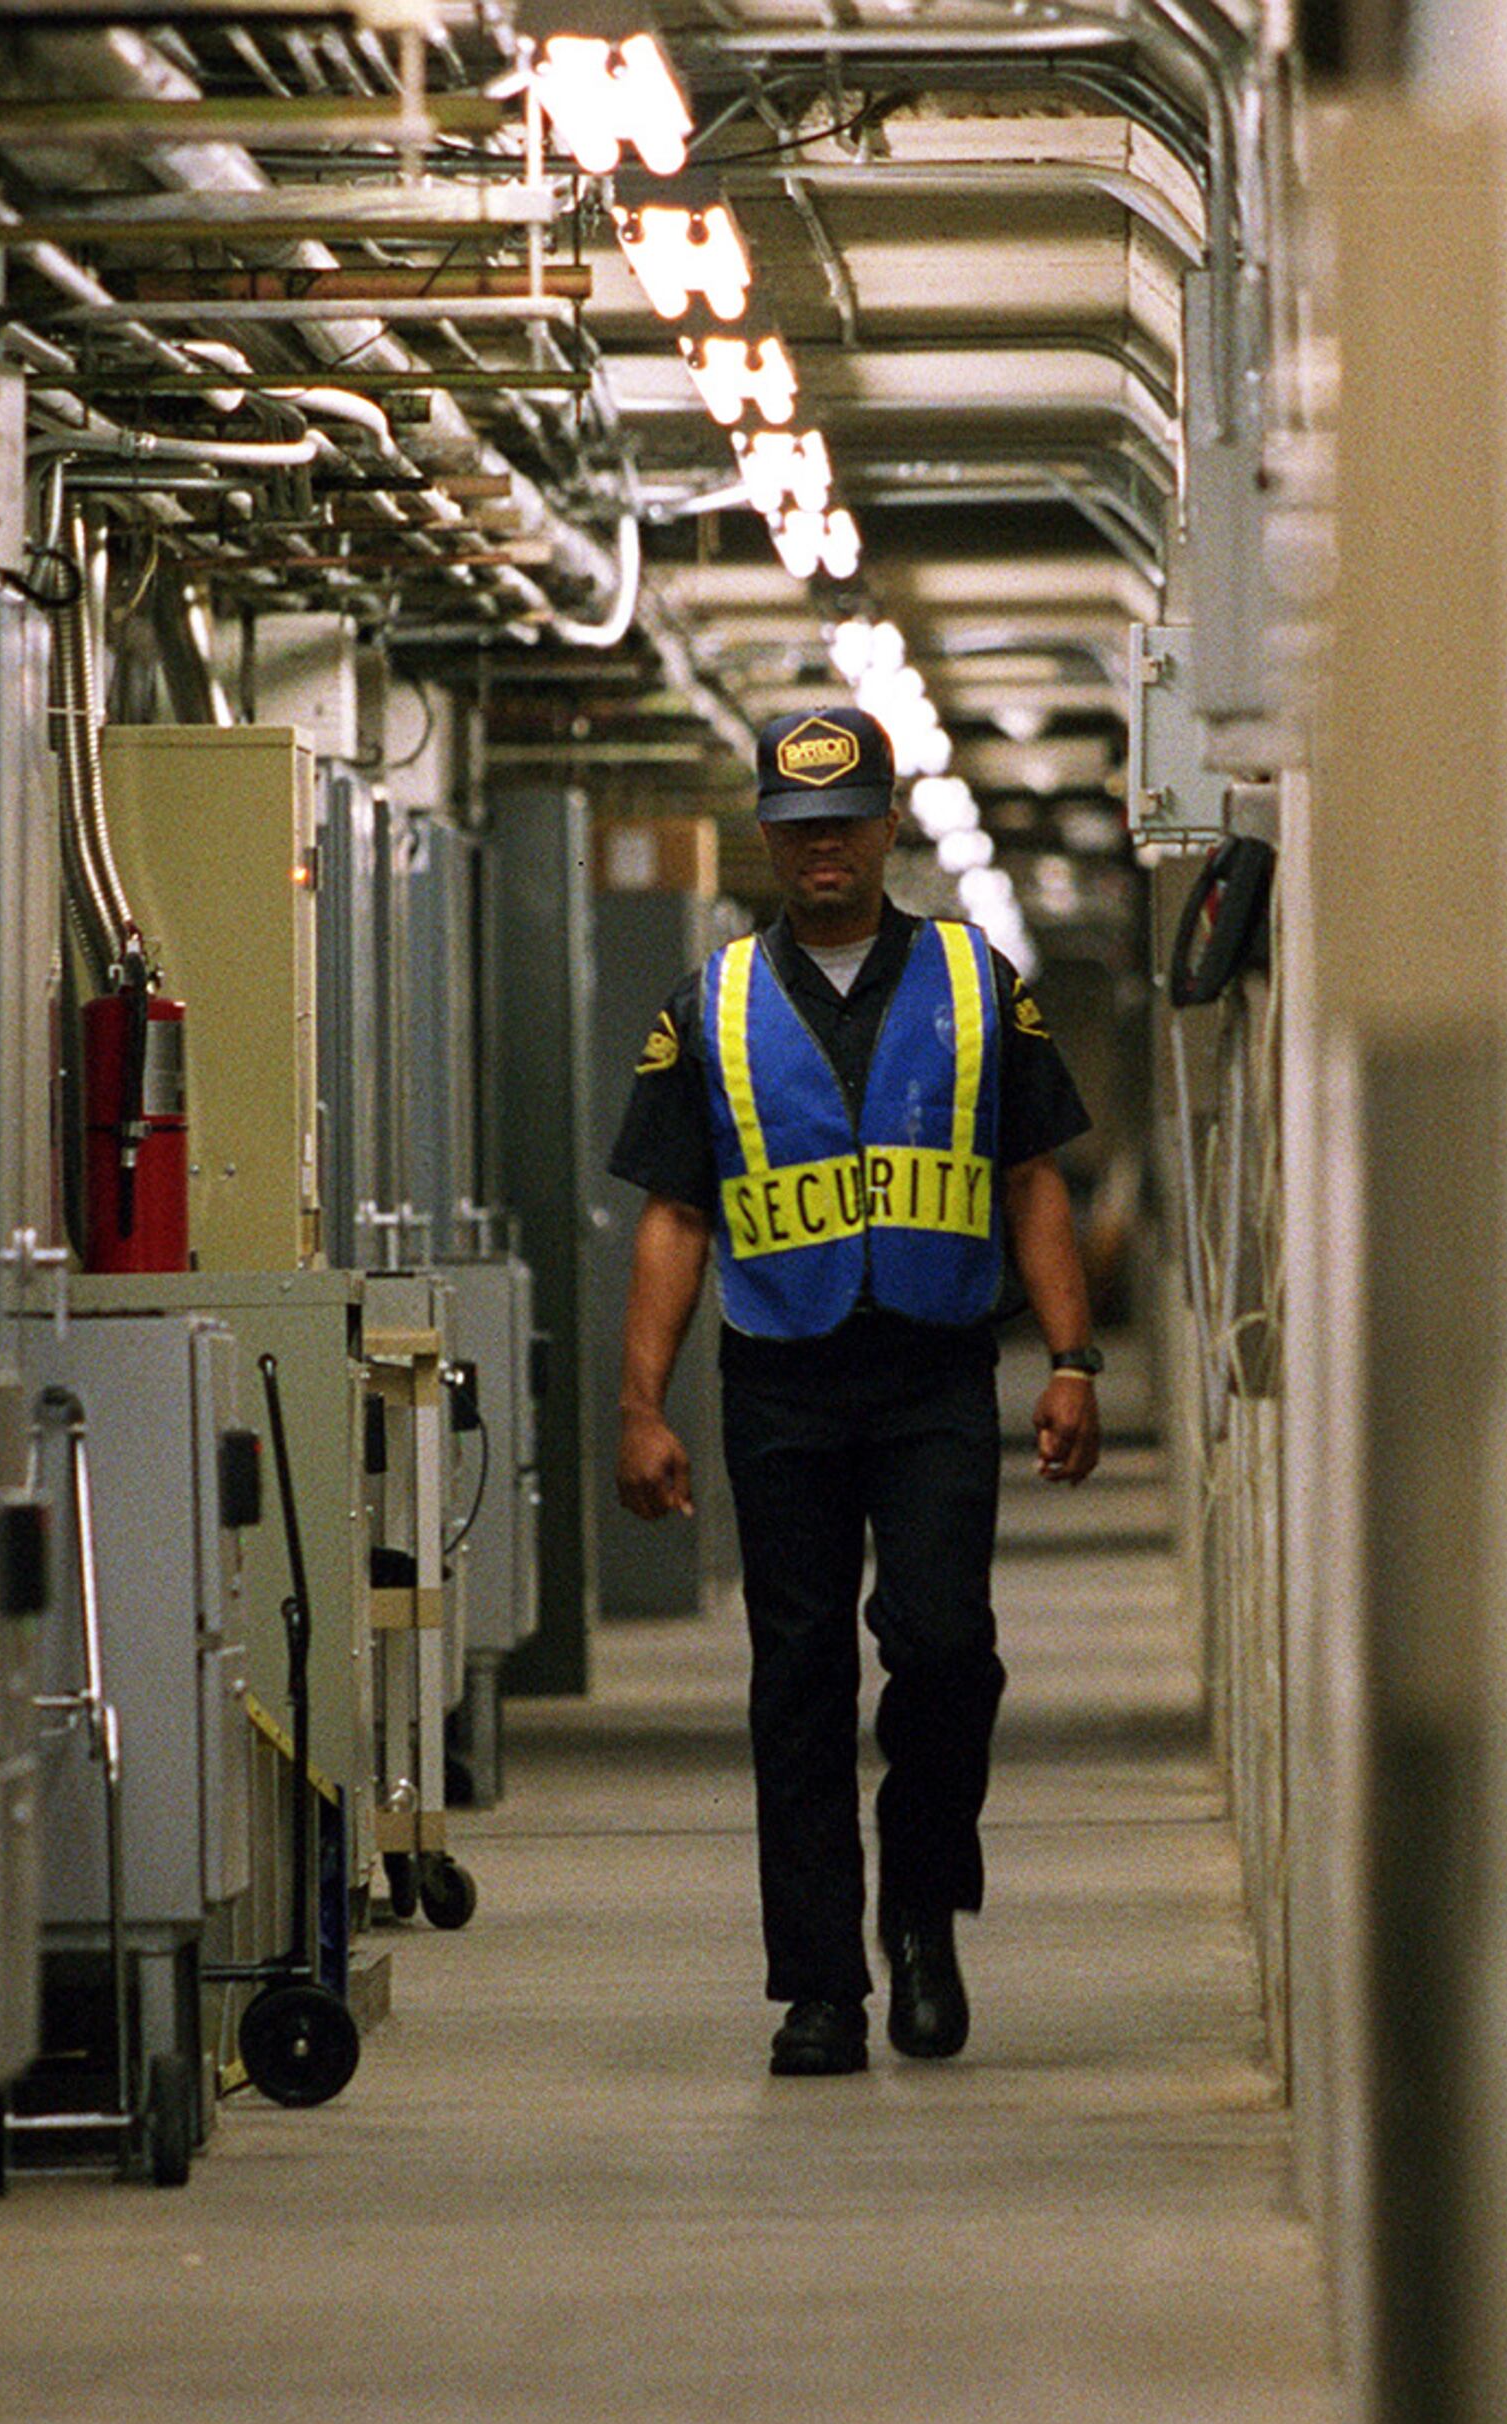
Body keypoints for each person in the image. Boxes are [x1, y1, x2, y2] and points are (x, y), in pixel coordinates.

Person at [607, 702, 1102, 2078]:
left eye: (847, 821)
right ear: (765, 834)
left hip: (937, 1368)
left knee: (944, 1652)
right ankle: (820, 1985)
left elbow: (1031, 1175)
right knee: (800, 1681)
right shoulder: (704, 1006)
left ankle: (925, 1917)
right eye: (798, 825)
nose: (823, 846)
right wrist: (643, 1405)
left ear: (889, 825)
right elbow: (673, 1221)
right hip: (781, 1379)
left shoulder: (977, 979)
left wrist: (1071, 1359)